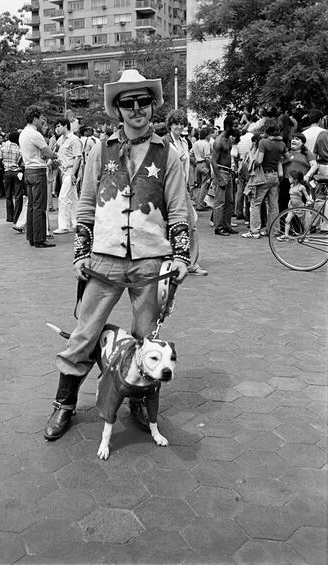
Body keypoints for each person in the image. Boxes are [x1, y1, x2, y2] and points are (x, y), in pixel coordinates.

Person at [44, 68, 190, 441]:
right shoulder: (100, 149)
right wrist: (80, 252)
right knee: (85, 333)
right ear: (118, 109)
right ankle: (65, 403)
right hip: (104, 258)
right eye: (129, 103)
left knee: (144, 338)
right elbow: (87, 202)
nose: (137, 108)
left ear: (153, 105)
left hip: (150, 262)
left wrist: (181, 257)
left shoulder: (167, 154)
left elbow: (178, 210)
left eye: (143, 101)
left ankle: (139, 399)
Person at [164, 109, 208, 276]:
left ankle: (190, 262)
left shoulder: (184, 142)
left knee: (191, 224)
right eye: (176, 123)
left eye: (181, 123)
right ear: (170, 125)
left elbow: (186, 166)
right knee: (169, 225)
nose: (179, 126)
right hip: (168, 189)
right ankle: (171, 260)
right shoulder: (164, 142)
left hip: (183, 188)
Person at [242, 118, 287, 239]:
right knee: (273, 205)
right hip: (275, 176)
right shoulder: (281, 144)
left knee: (255, 203)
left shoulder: (263, 142)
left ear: (267, 130)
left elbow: (259, 160)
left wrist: (253, 162)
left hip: (263, 176)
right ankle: (273, 230)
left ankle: (254, 231)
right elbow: (286, 158)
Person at [19, 105, 56, 248]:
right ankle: (40, 238)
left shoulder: (23, 133)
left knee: (31, 207)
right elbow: (48, 152)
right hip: (38, 171)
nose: (42, 121)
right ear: (35, 118)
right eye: (40, 118)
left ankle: (32, 237)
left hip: (28, 170)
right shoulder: (36, 134)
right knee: (40, 207)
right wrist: (55, 154)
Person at [53, 118, 83, 235]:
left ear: (65, 125)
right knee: (73, 198)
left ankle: (64, 225)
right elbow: (56, 154)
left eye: (59, 126)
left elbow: (78, 157)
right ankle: (76, 222)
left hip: (70, 171)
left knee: (63, 197)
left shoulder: (74, 140)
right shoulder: (61, 139)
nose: (57, 129)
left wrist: (73, 174)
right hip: (64, 171)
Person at [210, 116, 240, 236]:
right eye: (235, 125)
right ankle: (218, 227)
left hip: (228, 172)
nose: (238, 127)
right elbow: (213, 161)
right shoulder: (219, 141)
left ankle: (227, 226)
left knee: (229, 202)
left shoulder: (228, 139)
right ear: (228, 126)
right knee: (220, 202)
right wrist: (220, 178)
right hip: (221, 172)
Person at [277, 170, 313, 241]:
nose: (289, 179)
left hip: (300, 208)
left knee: (304, 223)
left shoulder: (301, 187)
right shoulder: (291, 186)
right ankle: (286, 235)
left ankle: (307, 236)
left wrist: (310, 201)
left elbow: (306, 196)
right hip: (292, 208)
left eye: (290, 178)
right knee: (287, 220)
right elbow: (291, 196)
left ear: (296, 180)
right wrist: (289, 202)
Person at [0, 131, 24, 226]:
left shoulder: (2, 147)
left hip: (7, 172)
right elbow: (21, 162)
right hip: (17, 173)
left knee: (8, 195)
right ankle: (17, 217)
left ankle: (10, 216)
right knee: (18, 196)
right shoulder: (19, 149)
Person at [192, 127, 212, 212]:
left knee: (200, 185)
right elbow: (207, 158)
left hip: (198, 164)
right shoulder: (206, 144)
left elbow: (191, 153)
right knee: (205, 185)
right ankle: (200, 204)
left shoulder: (196, 143)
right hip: (204, 164)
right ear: (207, 135)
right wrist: (210, 167)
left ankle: (199, 202)